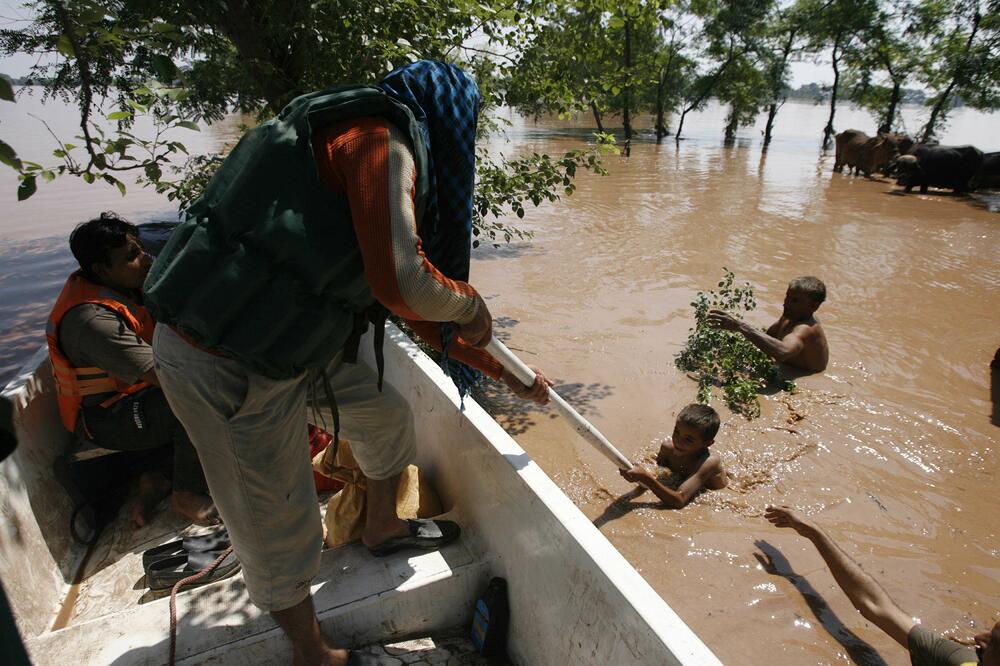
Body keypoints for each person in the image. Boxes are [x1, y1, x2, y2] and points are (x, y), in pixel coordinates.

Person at [144, 61, 552, 666]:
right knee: (277, 526)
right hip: (222, 361)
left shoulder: (377, 148)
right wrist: (470, 304)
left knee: (385, 418)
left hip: (289, 347)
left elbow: (413, 312)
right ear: (449, 117)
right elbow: (404, 282)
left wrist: (510, 376)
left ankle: (383, 526)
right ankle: (314, 651)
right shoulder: (372, 142)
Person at [46, 213, 217, 527]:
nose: (145, 259)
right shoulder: (91, 321)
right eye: (132, 257)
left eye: (139, 249)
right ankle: (186, 495)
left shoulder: (124, 284)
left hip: (138, 393)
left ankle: (157, 479)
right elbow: (167, 375)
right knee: (196, 398)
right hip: (107, 417)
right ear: (101, 270)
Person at [764, 506, 998, 666]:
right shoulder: (964, 660)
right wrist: (813, 532)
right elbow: (875, 604)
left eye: (995, 641)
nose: (979, 637)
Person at [707, 276, 829, 373]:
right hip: (787, 367)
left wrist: (740, 326)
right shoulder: (791, 315)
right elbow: (769, 336)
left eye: (795, 301)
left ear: (814, 306)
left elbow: (782, 352)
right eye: (787, 297)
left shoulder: (804, 329)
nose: (786, 303)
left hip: (803, 375)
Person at [618, 403, 728, 509]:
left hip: (715, 490)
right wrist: (637, 475)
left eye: (688, 440)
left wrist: (646, 478)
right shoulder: (667, 448)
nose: (678, 442)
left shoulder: (709, 462)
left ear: (707, 444)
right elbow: (658, 472)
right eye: (676, 432)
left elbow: (679, 500)